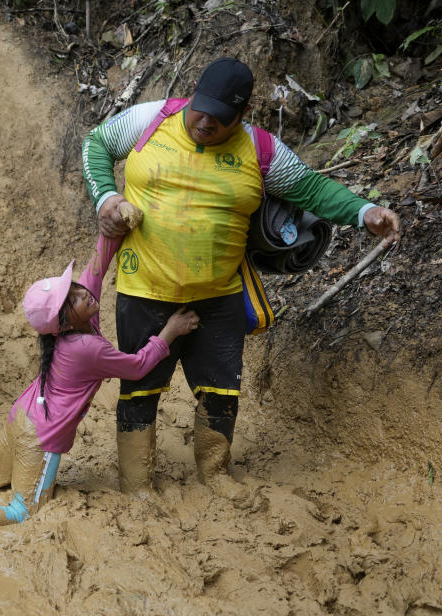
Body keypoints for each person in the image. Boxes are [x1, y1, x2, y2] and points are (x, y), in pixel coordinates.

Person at [82, 57, 402, 498]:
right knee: (141, 387)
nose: (206, 123)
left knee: (220, 388)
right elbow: (96, 143)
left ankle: (214, 475)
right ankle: (136, 482)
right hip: (144, 289)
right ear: (192, 95)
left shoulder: (261, 149)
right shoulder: (151, 120)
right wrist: (106, 196)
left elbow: (312, 189)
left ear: (243, 115)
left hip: (220, 295)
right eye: (201, 109)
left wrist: (365, 211)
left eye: (221, 117)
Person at [0, 233, 199, 524]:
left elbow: (95, 270)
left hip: (22, 417)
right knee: (23, 511)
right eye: (72, 298)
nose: (83, 294)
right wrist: (171, 330)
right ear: (65, 322)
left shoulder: (74, 322)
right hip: (41, 439)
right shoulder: (87, 348)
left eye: (74, 289)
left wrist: (109, 232)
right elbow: (137, 367)